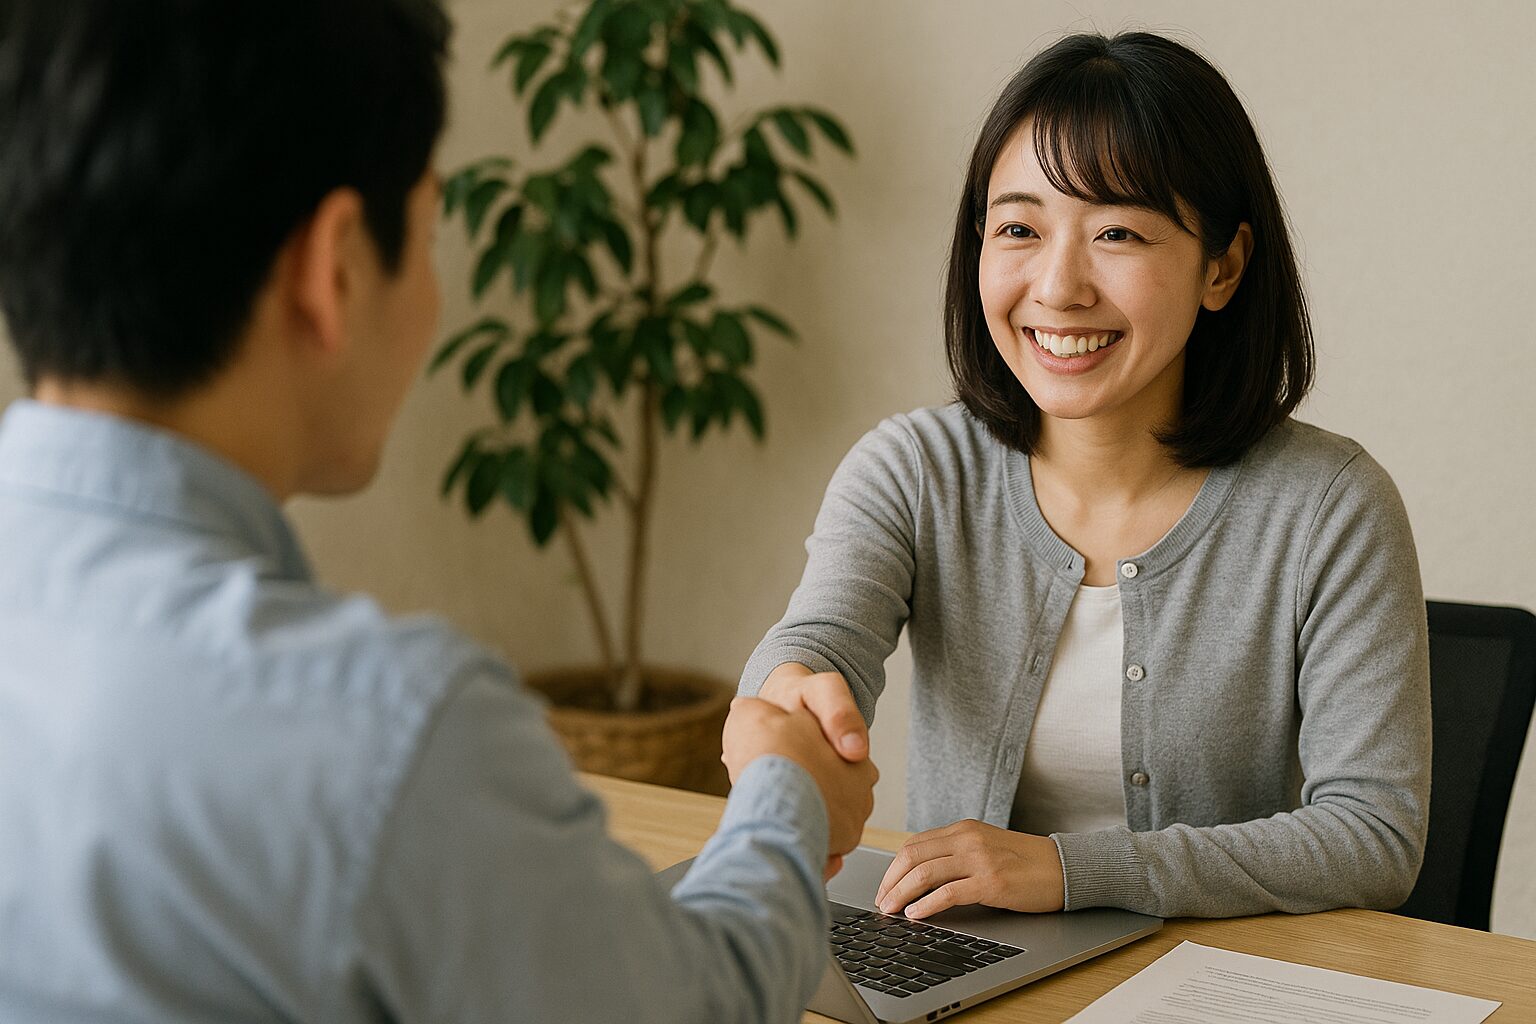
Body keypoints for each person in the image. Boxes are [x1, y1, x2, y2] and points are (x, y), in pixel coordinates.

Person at [0, 2, 877, 1021]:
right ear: (333, 269)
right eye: (425, 234)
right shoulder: (384, 727)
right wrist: (786, 793)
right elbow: (698, 1002)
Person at [732, 31, 1430, 922]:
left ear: (1222, 265)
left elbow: (1373, 834)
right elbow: (817, 642)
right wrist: (786, 697)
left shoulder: (1330, 507)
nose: (1058, 286)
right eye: (1018, 228)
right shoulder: (913, 470)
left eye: (1117, 232)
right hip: (961, 965)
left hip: (1215, 985)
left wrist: (1073, 872)